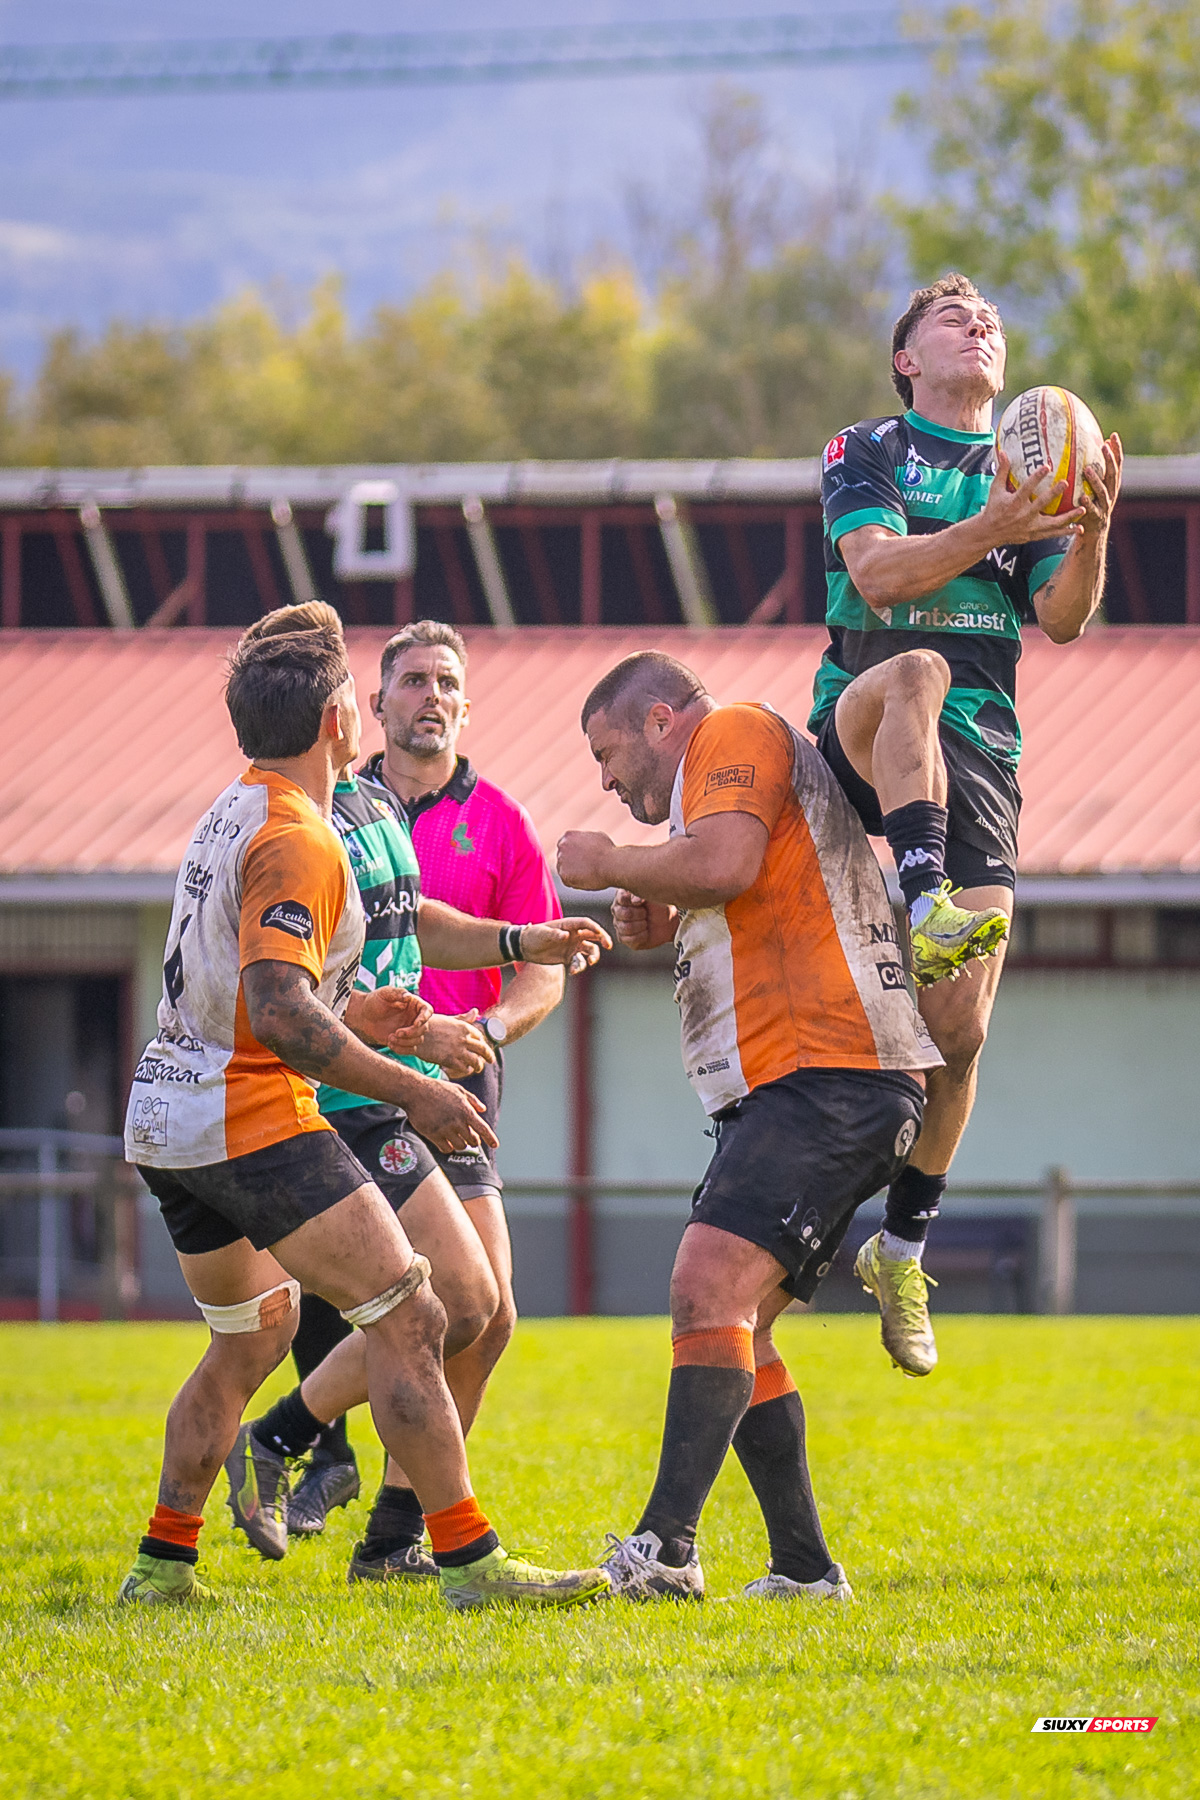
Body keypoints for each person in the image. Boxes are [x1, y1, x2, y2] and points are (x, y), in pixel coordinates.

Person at [118, 619, 611, 1611]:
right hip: (250, 1117)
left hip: (168, 1117)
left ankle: (161, 1565)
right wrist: (414, 1082)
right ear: (344, 713)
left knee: (254, 1333)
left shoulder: (242, 807)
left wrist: (433, 993)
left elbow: (285, 983)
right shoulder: (299, 832)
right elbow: (282, 1012)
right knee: (418, 1309)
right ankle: (469, 1566)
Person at [557, 651, 942, 1602]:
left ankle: (667, 1550)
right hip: (813, 1080)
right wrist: (656, 906)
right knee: (745, 1327)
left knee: (705, 1287)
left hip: (829, 1070)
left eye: (607, 753)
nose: (606, 780)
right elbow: (738, 883)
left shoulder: (727, 730)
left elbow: (726, 864)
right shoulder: (703, 786)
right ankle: (806, 1570)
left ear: (658, 719)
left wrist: (611, 860)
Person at [809, 272, 1122, 1376]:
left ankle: (901, 1245)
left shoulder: (1024, 478)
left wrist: (1086, 527)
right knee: (919, 665)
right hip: (858, 719)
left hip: (980, 747)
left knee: (959, 1031)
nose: (979, 322)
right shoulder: (868, 450)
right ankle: (923, 889)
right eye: (952, 315)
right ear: (907, 359)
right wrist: (996, 519)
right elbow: (880, 577)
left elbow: (1065, 621)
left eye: (989, 315)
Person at [227, 606, 575, 1583]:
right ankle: (328, 1474)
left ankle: (379, 1519)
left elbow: (417, 927)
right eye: (413, 682)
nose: (434, 700)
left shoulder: (484, 817)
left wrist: (516, 961)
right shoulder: (313, 811)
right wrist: (410, 1040)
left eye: (448, 685)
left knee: (476, 1313)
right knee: (433, 1308)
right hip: (361, 1092)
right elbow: (298, 991)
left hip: (449, 1087)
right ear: (365, 707)